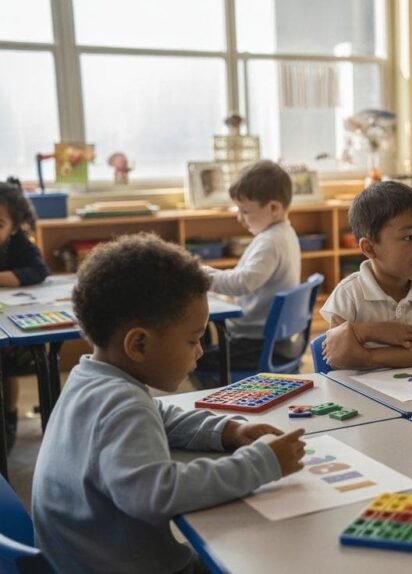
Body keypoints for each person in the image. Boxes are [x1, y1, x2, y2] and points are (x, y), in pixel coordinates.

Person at [32, 233, 306, 574]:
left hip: (81, 558)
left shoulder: (90, 378)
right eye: (193, 339)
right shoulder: (122, 404)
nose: (200, 351)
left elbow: (156, 414)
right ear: (139, 344)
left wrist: (227, 430)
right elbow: (158, 494)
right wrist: (262, 463)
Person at [319, 181, 412, 369]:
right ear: (369, 248)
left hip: (410, 392)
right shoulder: (349, 293)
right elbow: (338, 354)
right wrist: (371, 331)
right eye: (409, 237)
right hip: (359, 393)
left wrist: (367, 357)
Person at [195, 161, 302, 386]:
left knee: (194, 360)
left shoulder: (270, 242)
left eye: (245, 211)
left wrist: (203, 275)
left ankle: (220, 403)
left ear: (274, 208)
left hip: (259, 344)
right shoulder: (283, 233)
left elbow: (244, 282)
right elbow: (246, 277)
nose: (239, 217)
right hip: (280, 341)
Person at [0, 177, 50, 453]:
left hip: (12, 330)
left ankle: (8, 420)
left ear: (15, 226)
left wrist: (4, 278)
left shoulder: (19, 245)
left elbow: (39, 270)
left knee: (6, 372)